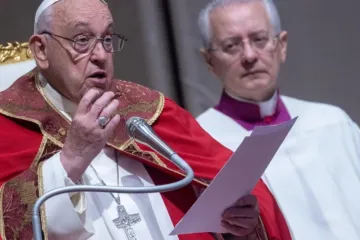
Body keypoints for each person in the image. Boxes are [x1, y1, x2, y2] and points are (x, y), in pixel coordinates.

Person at [0, 0, 293, 239]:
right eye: (82, 40)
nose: (101, 55)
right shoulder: (7, 125)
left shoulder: (148, 110)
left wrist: (237, 226)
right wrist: (72, 159)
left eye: (107, 38)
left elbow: (225, 198)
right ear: (41, 50)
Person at [196, 0, 360, 239]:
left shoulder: (333, 123)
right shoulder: (200, 142)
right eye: (231, 46)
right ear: (209, 61)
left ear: (281, 45)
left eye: (259, 39)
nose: (250, 55)